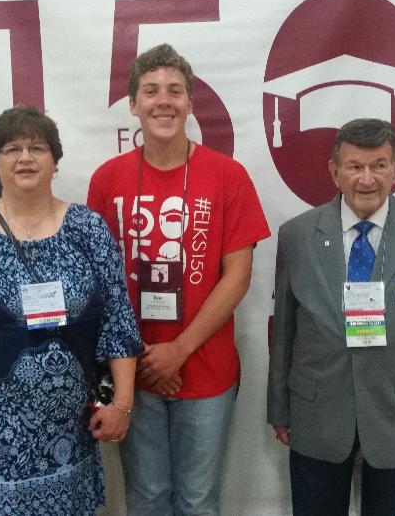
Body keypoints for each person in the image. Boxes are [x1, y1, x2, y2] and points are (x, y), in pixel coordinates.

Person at [0, 106, 143, 515]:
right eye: (11, 149)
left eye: (38, 147)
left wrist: (121, 403)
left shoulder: (87, 229)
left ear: (55, 161)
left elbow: (118, 321)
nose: (25, 157)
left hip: (70, 437)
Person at [87, 43, 271, 515]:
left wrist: (179, 350)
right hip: (134, 371)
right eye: (150, 91)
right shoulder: (108, 180)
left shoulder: (228, 176)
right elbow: (102, 282)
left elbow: (238, 276)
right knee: (146, 500)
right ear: (132, 104)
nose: (162, 101)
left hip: (206, 369)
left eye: (174, 91)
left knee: (198, 500)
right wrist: (146, 360)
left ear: (190, 102)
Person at [267, 118, 395, 515]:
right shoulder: (297, 237)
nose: (367, 179)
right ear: (334, 171)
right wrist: (280, 409)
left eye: (379, 165)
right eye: (354, 166)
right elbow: (283, 332)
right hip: (318, 414)